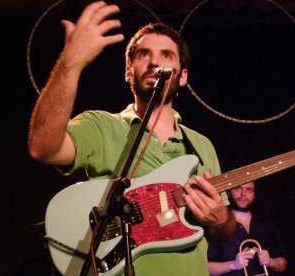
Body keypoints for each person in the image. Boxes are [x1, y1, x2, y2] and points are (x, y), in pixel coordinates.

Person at [28, 1, 236, 275]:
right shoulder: (100, 126)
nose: (154, 62)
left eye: (166, 56)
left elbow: (223, 233)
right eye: (143, 55)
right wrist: (71, 63)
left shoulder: (201, 145)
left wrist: (220, 218)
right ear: (128, 71)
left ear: (183, 76)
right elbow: (43, 147)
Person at [207, 182, 288, 276]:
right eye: (238, 188)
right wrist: (233, 264)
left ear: (254, 195)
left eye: (249, 189)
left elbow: (283, 264)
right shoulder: (218, 225)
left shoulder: (266, 223)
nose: (243, 194)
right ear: (228, 193)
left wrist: (270, 261)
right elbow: (206, 268)